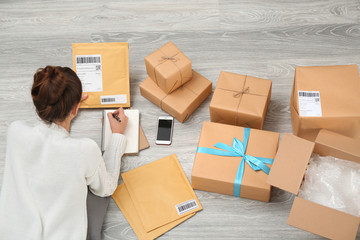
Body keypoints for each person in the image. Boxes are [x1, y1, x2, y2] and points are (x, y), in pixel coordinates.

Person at [0, 66, 128, 240]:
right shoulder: (84, 150)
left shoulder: (15, 131)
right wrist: (117, 136)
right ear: (75, 109)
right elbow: (106, 188)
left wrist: (66, 108)